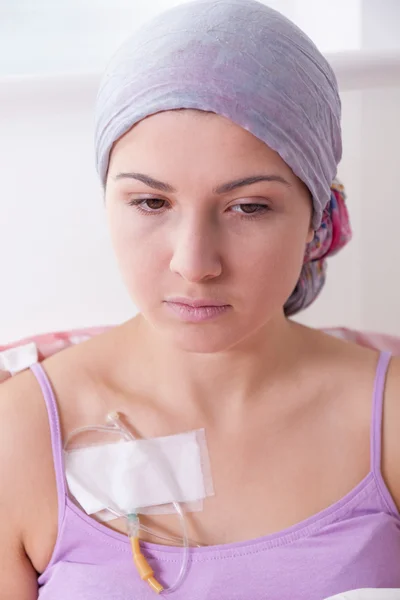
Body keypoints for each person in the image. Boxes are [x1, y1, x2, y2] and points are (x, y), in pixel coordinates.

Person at [1, 0, 399, 598]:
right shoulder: (21, 434)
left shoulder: (389, 415)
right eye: (151, 203)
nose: (195, 263)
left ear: (318, 221)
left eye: (248, 207)